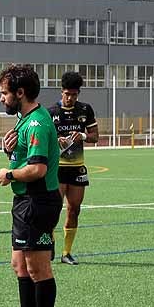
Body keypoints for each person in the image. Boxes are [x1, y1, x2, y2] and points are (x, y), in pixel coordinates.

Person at [0, 64, 62, 307]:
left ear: (20, 93)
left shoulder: (36, 123)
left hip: (38, 201)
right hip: (25, 201)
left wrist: (8, 174)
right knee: (19, 265)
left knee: (38, 268)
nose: (1, 99)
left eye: (4, 93)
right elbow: (24, 159)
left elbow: (37, 168)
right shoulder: (25, 120)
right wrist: (10, 153)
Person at [49, 71, 99, 266]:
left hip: (77, 168)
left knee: (74, 210)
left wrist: (83, 136)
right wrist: (55, 140)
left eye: (74, 95)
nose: (70, 98)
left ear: (78, 94)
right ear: (61, 92)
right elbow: (42, 139)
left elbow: (95, 136)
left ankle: (67, 252)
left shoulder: (85, 110)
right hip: (58, 168)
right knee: (53, 210)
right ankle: (49, 243)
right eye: (67, 94)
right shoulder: (51, 112)